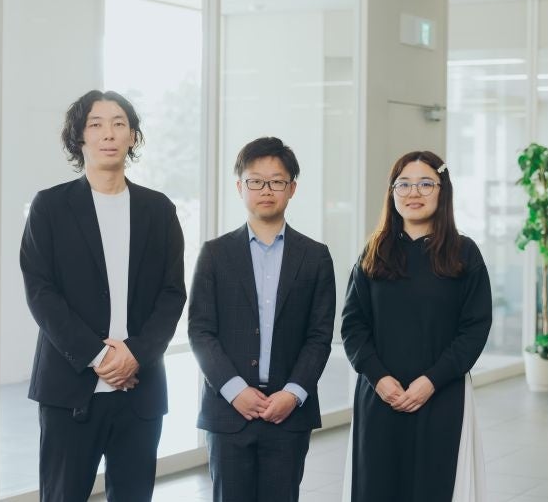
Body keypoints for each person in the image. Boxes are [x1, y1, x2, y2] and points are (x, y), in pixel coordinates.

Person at [20, 90, 186, 502]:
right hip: (69, 389)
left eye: (118, 124)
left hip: (140, 389)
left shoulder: (159, 210)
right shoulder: (50, 207)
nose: (108, 134)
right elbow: (41, 292)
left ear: (133, 136)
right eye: (95, 124)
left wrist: (135, 354)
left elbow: (172, 294)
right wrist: (99, 357)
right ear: (79, 137)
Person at [188, 137, 336, 502]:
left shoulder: (315, 256)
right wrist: (234, 390)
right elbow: (201, 331)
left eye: (276, 181)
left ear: (292, 188)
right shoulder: (215, 254)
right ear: (240, 187)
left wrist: (293, 393)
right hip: (229, 412)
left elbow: (319, 336)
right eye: (255, 181)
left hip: (288, 413)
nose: (266, 190)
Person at [341, 151, 492, 502]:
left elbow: (474, 328)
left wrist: (431, 381)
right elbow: (353, 326)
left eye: (426, 184)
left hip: (443, 396)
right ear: (392, 193)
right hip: (380, 396)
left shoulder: (463, 254)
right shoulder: (373, 253)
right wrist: (379, 378)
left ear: (443, 191)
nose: (413, 193)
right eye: (404, 184)